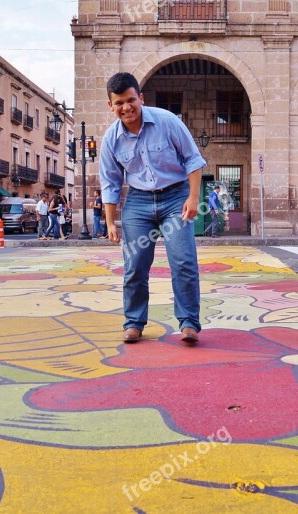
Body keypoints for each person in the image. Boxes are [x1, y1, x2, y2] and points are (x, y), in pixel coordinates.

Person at [99, 71, 206, 346]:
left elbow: (193, 160)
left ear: (141, 98)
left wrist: (193, 198)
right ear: (111, 105)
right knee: (134, 264)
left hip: (175, 198)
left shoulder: (167, 122)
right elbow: (110, 183)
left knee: (183, 261)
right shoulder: (111, 139)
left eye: (131, 100)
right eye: (119, 102)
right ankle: (134, 322)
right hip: (138, 202)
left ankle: (188, 323)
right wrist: (111, 223)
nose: (127, 107)